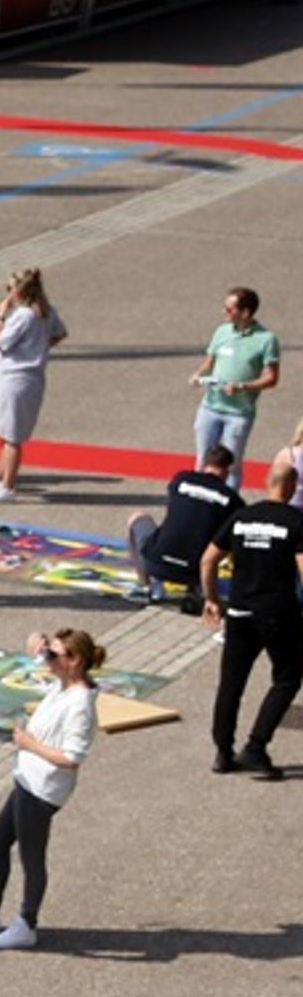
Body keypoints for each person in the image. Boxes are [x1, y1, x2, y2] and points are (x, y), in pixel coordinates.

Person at [0, 628, 104, 948]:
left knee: (32, 857)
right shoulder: (64, 683)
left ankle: (26, 923)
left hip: (42, 789)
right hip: (27, 779)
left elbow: (72, 758)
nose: (47, 661)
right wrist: (39, 644)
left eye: (53, 656)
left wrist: (29, 743)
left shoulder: (79, 704)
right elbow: (43, 658)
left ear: (74, 661)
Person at [205, 462, 303, 777]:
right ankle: (256, 747)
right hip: (277, 613)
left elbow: (208, 559)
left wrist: (212, 599)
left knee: (231, 683)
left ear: (266, 483)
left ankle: (222, 752)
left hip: (239, 612)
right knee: (288, 678)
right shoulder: (296, 521)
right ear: (292, 488)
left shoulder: (241, 517)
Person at [0, 265, 66, 507]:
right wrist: (38, 348)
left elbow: (1, 342)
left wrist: (0, 315)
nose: (7, 293)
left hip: (16, 380)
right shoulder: (45, 311)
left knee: (11, 436)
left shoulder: (24, 315)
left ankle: (7, 485)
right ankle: (0, 475)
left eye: (10, 289)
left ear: (20, 291)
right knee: (3, 431)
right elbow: (59, 333)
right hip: (14, 378)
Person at [131, 440, 243, 614]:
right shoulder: (233, 501)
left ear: (204, 464)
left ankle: (145, 585)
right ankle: (196, 588)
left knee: (137, 518)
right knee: (224, 539)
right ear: (227, 471)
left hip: (156, 562)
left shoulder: (180, 479)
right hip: (195, 571)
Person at [192, 286, 279, 461]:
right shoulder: (222, 331)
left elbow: (272, 378)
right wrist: (198, 375)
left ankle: (230, 489)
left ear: (246, 312)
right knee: (202, 460)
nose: (224, 312)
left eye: (229, 309)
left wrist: (242, 386)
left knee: (231, 463)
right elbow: (209, 363)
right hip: (210, 407)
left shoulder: (266, 339)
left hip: (238, 413)